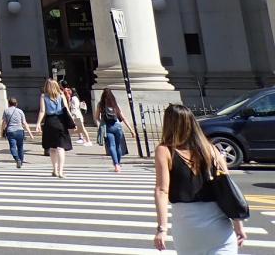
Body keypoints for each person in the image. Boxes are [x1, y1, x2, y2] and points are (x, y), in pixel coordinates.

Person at [154, 103, 245, 254]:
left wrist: (162, 229)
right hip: (219, 227)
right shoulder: (210, 149)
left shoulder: (165, 151)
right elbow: (227, 188)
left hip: (188, 227)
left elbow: (162, 190)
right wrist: (238, 225)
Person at [35, 78, 73, 178]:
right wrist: (72, 121)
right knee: (61, 148)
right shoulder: (61, 95)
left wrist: (38, 123)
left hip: (50, 122)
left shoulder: (43, 96)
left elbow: (42, 111)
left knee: (52, 148)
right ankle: (61, 171)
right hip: (60, 122)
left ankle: (54, 170)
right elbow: (66, 109)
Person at [96, 88, 132, 173]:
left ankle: (116, 164)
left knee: (111, 146)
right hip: (117, 126)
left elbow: (96, 117)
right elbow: (123, 118)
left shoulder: (100, 105)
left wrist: (100, 124)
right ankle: (118, 163)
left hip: (107, 127)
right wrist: (131, 130)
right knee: (118, 146)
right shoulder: (115, 104)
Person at [0, 97, 34, 168]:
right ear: (16, 104)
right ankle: (21, 162)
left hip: (11, 131)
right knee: (20, 147)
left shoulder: (6, 111)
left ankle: (17, 159)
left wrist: (2, 132)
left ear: (9, 103)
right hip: (20, 131)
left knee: (12, 147)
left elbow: (4, 122)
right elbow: (24, 123)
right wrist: (30, 134)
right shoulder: (20, 111)